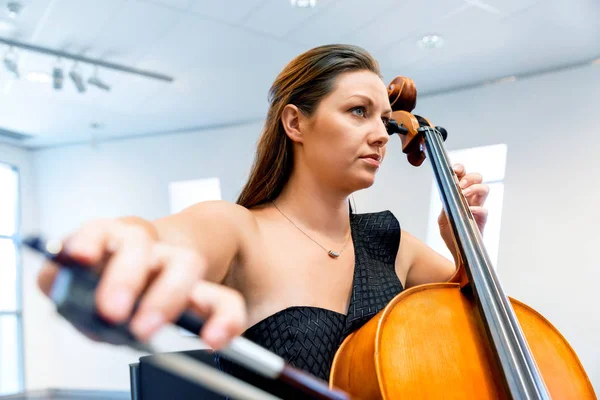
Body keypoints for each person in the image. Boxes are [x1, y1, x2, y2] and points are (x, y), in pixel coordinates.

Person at [37, 44, 489, 394]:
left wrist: (464, 245)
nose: (380, 135)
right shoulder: (238, 230)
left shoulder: (393, 244)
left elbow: (475, 337)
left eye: (386, 121)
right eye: (358, 112)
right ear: (295, 123)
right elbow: (161, 240)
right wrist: (123, 244)